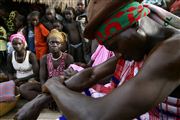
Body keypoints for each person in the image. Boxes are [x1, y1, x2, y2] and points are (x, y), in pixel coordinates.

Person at [14, 1, 180, 120]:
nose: (117, 54)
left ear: (136, 24)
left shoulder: (173, 50)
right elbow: (92, 74)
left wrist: (54, 85)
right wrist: (39, 101)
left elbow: (96, 115)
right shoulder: (142, 45)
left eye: (115, 45)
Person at [7, 32, 40, 101]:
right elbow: (10, 72)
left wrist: (20, 80)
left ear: (24, 43)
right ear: (12, 45)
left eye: (19, 43)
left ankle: (43, 100)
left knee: (23, 89)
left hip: (31, 79)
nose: (17, 46)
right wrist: (12, 82)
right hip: (18, 80)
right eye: (14, 44)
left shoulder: (31, 55)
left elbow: (36, 74)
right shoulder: (10, 56)